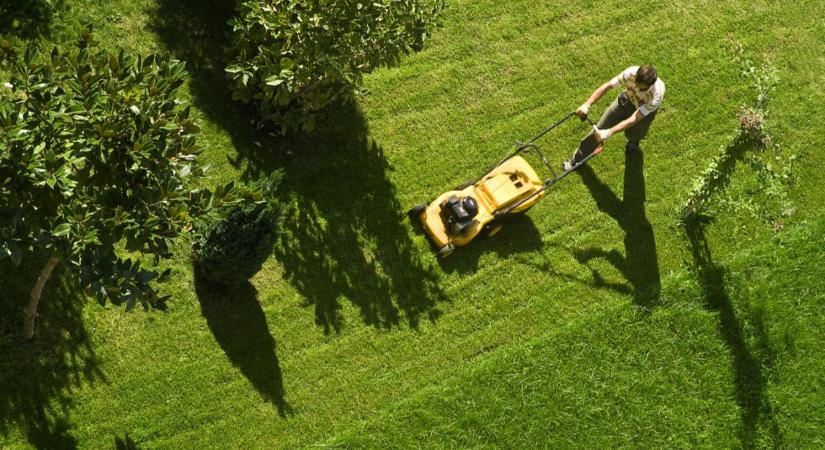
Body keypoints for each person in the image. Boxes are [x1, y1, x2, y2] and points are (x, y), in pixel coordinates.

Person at [564, 64, 665, 170]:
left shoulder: (656, 95)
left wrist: (610, 132)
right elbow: (608, 86)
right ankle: (577, 158)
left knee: (636, 133)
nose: (636, 88)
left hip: (643, 112)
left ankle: (633, 142)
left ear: (649, 85)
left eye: (640, 87)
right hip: (625, 100)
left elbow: (635, 118)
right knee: (599, 129)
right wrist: (587, 104)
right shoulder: (630, 73)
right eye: (635, 83)